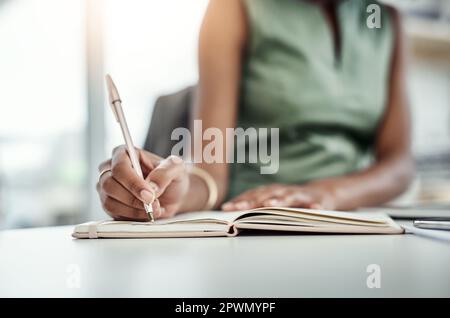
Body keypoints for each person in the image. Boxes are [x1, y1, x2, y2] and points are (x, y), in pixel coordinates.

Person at [97, 0, 414, 221]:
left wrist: (327, 195)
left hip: (356, 223)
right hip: (251, 220)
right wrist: (172, 194)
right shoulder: (235, 6)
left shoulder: (388, 24)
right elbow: (209, 172)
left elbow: (399, 165)